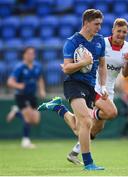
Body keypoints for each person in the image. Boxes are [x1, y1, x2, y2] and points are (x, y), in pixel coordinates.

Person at [38, 9, 113, 170]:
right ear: (86, 23)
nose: (99, 27)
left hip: (90, 87)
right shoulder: (72, 42)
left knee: (79, 128)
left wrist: (104, 86)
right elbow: (66, 68)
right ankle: (89, 163)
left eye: (100, 24)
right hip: (74, 84)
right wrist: (83, 62)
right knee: (87, 121)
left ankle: (58, 107)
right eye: (96, 24)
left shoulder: (100, 40)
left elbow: (102, 65)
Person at [67, 18, 128, 164]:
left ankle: (74, 152)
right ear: (113, 30)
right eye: (119, 31)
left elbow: (126, 74)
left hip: (108, 90)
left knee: (97, 128)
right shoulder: (101, 42)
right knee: (111, 112)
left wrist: (127, 62)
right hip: (95, 85)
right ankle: (87, 114)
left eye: (124, 32)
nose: (121, 34)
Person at [7, 47, 46, 148]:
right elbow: (10, 82)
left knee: (36, 120)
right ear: (24, 55)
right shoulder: (19, 67)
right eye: (29, 53)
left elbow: (40, 78)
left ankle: (16, 112)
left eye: (33, 53)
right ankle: (25, 141)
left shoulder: (37, 66)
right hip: (21, 95)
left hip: (32, 95)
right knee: (28, 118)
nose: (31, 55)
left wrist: (42, 90)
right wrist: (18, 85)